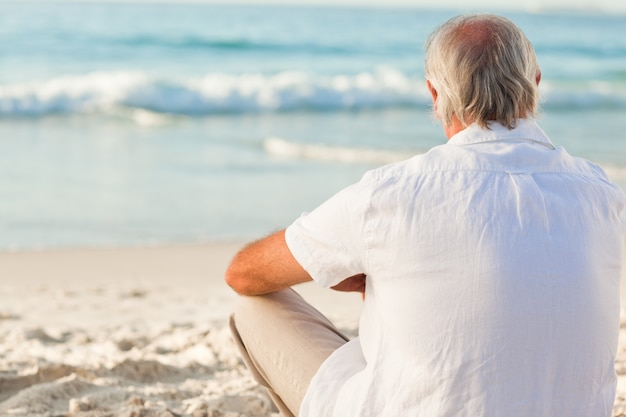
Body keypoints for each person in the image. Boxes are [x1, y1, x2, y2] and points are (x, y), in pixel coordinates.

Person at [225, 13, 626, 417]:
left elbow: (244, 273)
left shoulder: (392, 194)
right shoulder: (604, 198)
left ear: (434, 94)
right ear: (535, 83)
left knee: (254, 306)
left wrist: (355, 276)